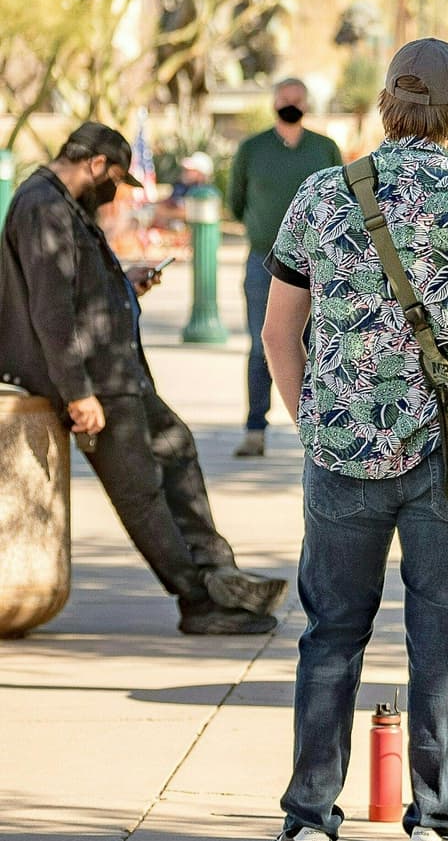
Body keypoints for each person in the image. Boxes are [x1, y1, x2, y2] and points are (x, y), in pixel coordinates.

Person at [259, 38, 448, 841]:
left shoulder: (319, 192)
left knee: (330, 632)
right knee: (440, 634)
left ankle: (308, 827)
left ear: (385, 108)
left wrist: (315, 419)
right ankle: (438, 829)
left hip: (340, 449)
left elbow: (279, 329)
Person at [0, 123, 287, 635]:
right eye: (113, 177)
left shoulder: (63, 205)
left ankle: (215, 569)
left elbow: (76, 292)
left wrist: (125, 285)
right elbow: (50, 311)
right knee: (141, 493)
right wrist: (78, 394)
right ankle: (198, 600)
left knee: (177, 446)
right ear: (94, 166)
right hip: (96, 382)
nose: (114, 190)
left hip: (118, 371)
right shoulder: (42, 205)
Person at [228, 78, 342, 457]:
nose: (290, 104)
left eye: (297, 99)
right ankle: (255, 428)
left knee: (319, 344)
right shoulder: (252, 149)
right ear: (274, 102)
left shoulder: (324, 149)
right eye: (284, 98)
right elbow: (235, 202)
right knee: (265, 342)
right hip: (264, 261)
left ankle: (319, 430)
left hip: (319, 264)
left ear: (306, 104)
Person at [152, 151, 213, 228]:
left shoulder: (205, 192)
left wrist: (166, 213)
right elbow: (170, 201)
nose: (185, 172)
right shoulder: (181, 186)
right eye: (185, 170)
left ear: (200, 174)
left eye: (190, 170)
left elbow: (193, 213)